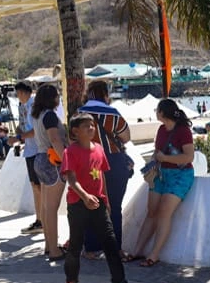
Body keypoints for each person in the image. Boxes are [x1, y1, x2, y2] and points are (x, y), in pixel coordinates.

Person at [61, 113, 140, 283]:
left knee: (111, 245)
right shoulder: (70, 152)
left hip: (98, 203)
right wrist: (85, 196)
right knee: (76, 245)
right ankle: (71, 282)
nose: (91, 128)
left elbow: (102, 175)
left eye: (92, 125)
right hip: (78, 204)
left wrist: (106, 201)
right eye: (86, 126)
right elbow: (70, 178)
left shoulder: (98, 148)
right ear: (75, 131)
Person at [126, 98, 195, 267]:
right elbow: (157, 151)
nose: (155, 112)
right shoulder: (161, 129)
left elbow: (189, 157)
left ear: (163, 113)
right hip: (161, 173)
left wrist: (166, 158)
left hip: (180, 174)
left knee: (164, 212)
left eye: (157, 110)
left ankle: (154, 254)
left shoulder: (183, 131)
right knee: (152, 211)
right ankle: (137, 250)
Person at [78, 79, 133, 260]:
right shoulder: (113, 114)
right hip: (114, 162)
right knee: (114, 206)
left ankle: (91, 249)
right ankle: (115, 249)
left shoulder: (80, 114)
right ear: (105, 94)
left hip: (89, 163)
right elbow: (126, 137)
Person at [30, 84, 69, 261]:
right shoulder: (50, 116)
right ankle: (54, 250)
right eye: (57, 96)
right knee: (52, 208)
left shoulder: (37, 115)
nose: (59, 99)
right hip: (52, 161)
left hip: (39, 159)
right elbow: (54, 139)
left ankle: (49, 244)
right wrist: (67, 161)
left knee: (46, 207)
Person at [15, 81, 43, 235]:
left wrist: (19, 137)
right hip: (30, 150)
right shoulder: (23, 107)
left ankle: (42, 220)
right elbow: (25, 127)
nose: (18, 97)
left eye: (19, 93)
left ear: (25, 93)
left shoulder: (33, 107)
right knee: (35, 186)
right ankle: (39, 220)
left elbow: (35, 130)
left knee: (39, 187)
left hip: (37, 150)